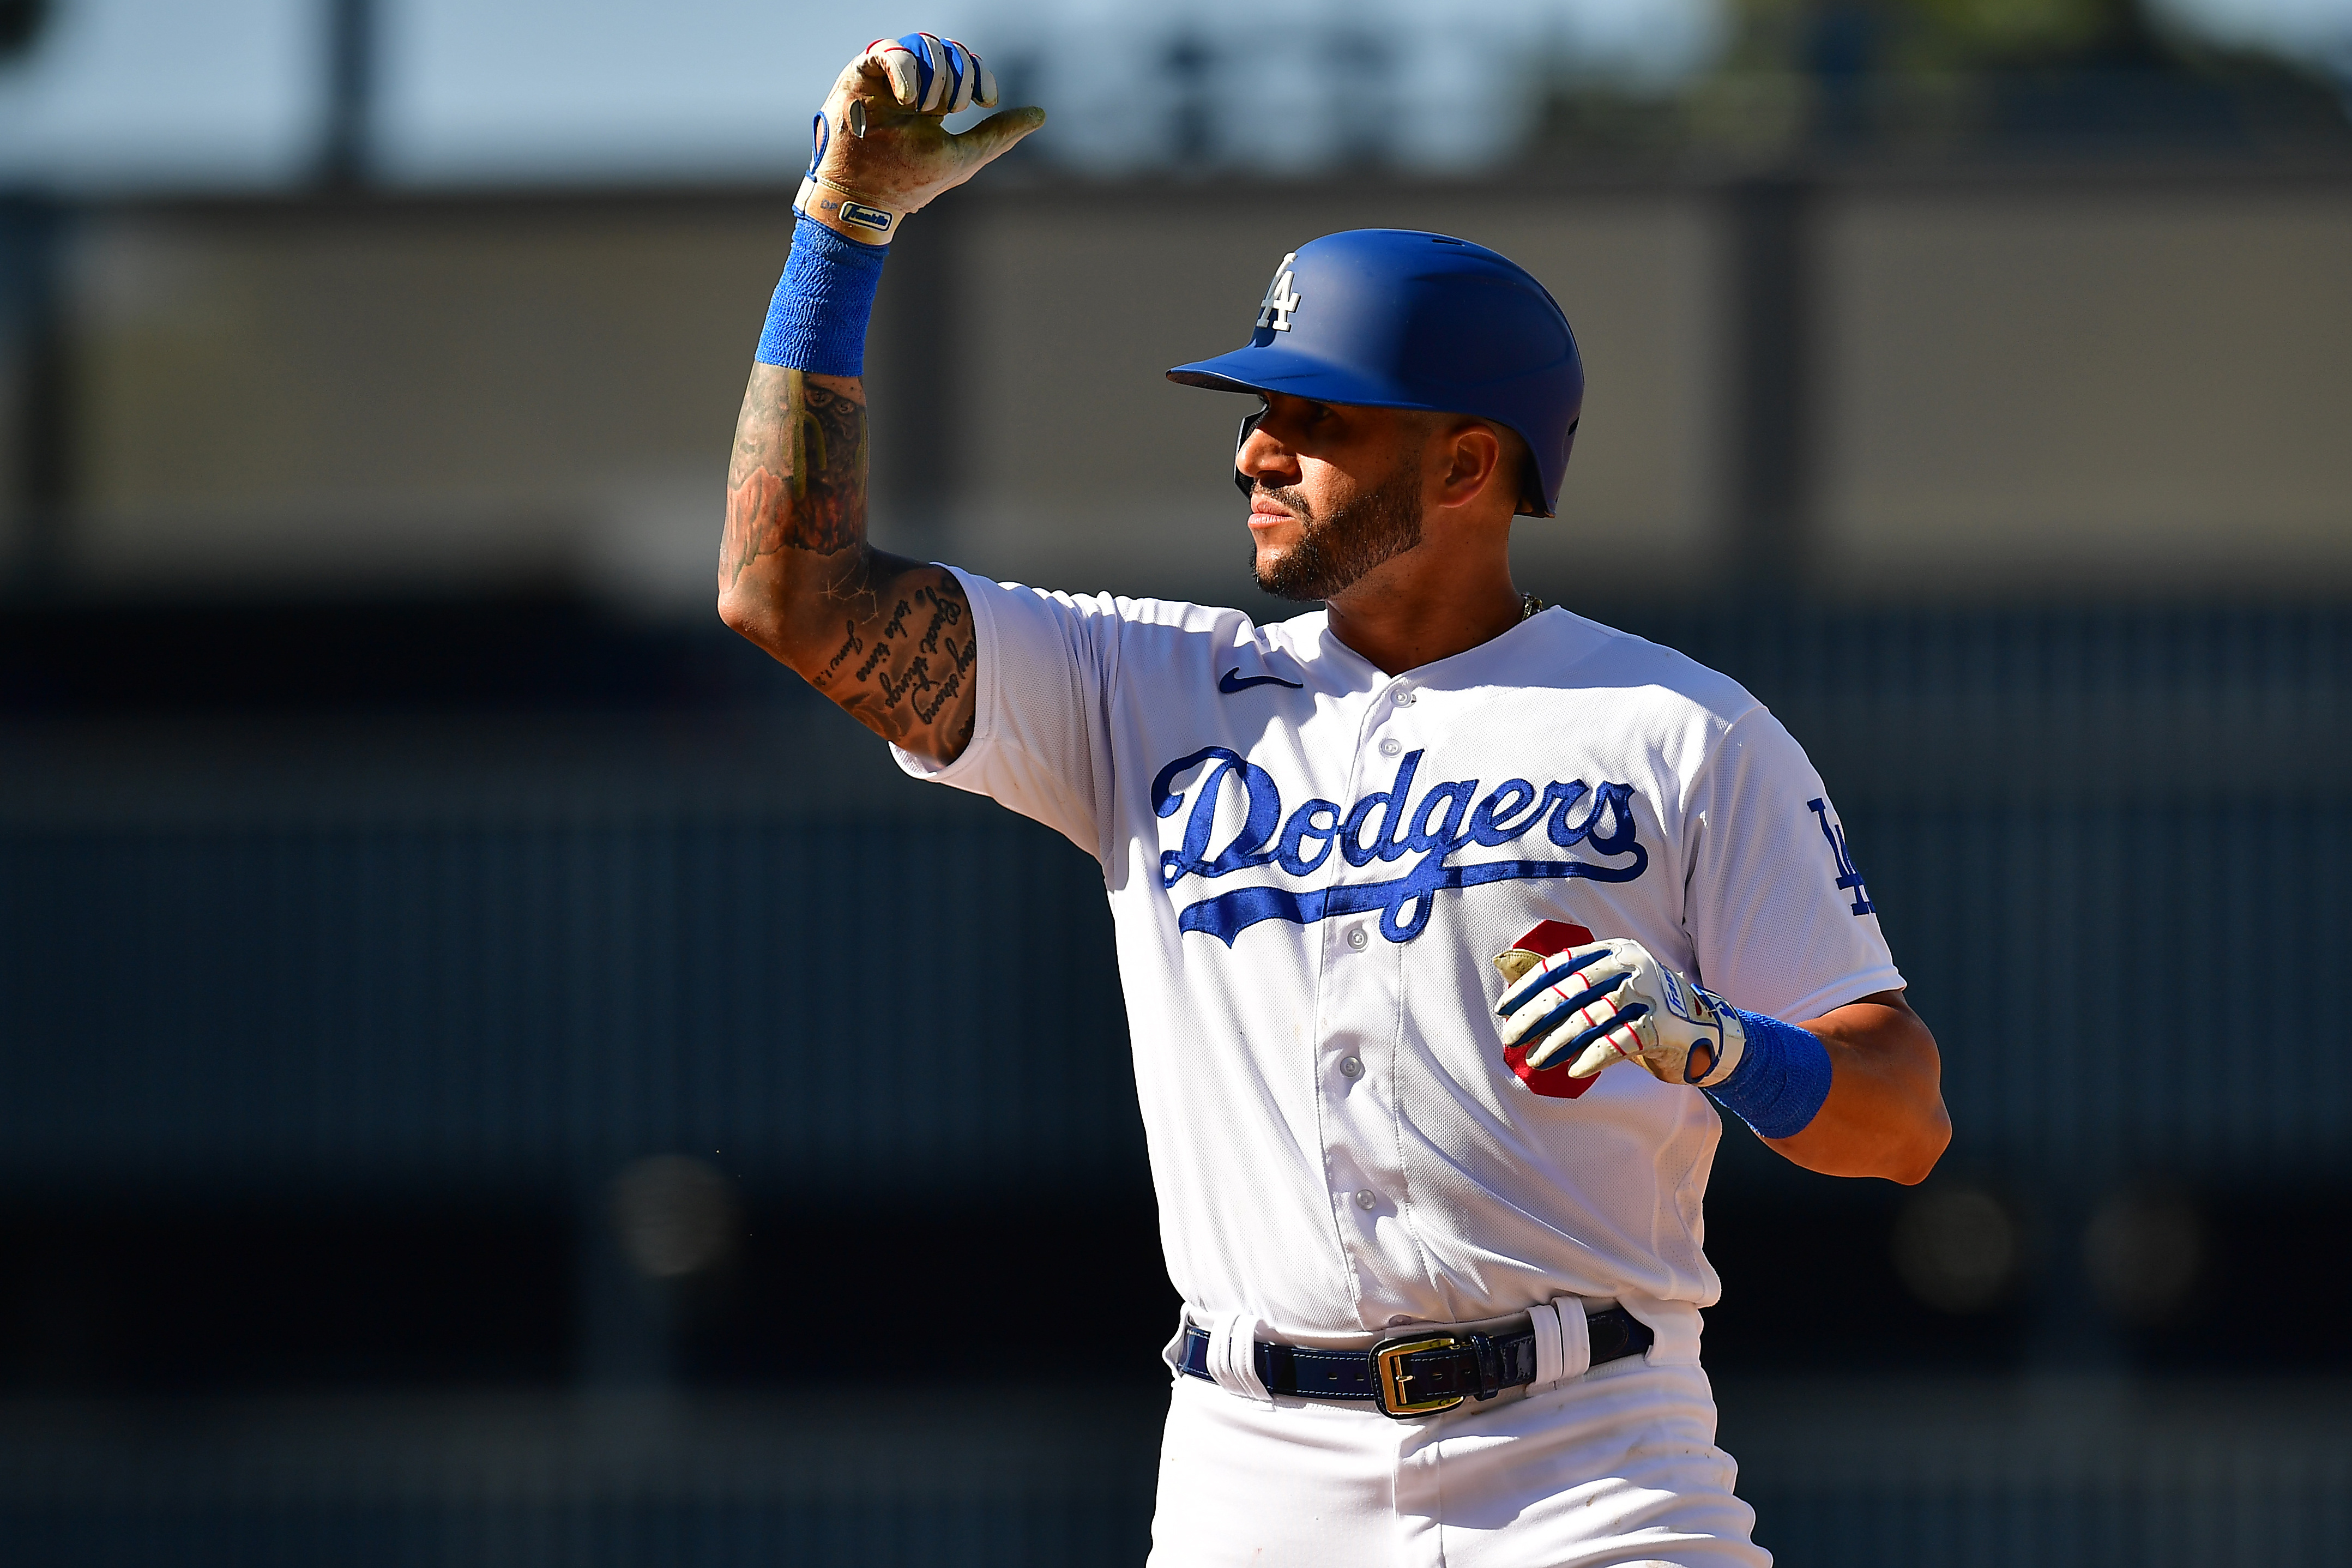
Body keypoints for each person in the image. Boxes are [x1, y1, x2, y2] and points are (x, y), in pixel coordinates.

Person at [719, 33, 1951, 1567]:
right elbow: (786, 593)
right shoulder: (1139, 688)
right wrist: (840, 235)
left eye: (1317, 420)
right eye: (1256, 410)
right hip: (1251, 1474)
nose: (1256, 448)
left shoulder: (1673, 727)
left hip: (1585, 1463)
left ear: (1468, 463)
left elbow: (1902, 1118)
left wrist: (1720, 1042)